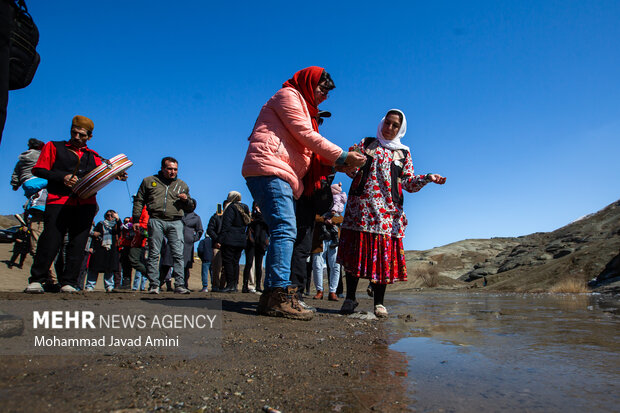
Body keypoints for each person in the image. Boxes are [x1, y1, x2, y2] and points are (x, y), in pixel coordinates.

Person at [242, 66, 366, 320]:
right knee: (285, 229)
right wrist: (342, 155)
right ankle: (277, 295)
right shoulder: (288, 96)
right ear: (309, 82)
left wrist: (339, 164)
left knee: (286, 230)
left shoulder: (305, 109)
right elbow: (305, 135)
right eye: (321, 89)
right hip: (269, 167)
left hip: (279, 171)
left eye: (327, 93)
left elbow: (309, 152)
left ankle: (276, 295)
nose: (323, 96)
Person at [337, 109, 446, 318]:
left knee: (382, 258)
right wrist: (349, 167)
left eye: (395, 125)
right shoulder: (366, 144)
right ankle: (350, 298)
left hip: (388, 212)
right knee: (355, 253)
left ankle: (379, 303)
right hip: (360, 208)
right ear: (382, 122)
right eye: (387, 123)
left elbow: (408, 183)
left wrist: (428, 178)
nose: (389, 128)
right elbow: (346, 165)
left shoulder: (403, 153)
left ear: (400, 129)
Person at [25, 115, 127, 293]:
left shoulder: (93, 156)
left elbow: (101, 175)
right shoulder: (53, 146)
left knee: (78, 244)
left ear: (90, 136)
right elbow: (39, 169)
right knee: (51, 240)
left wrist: (116, 175)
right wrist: (61, 177)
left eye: (82, 135)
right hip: (59, 201)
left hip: (85, 204)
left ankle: (69, 282)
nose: (77, 137)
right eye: (74, 133)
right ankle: (37, 279)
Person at [132, 156, 196, 294]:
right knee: (154, 253)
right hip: (156, 219)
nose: (172, 172)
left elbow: (190, 207)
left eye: (175, 169)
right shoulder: (149, 181)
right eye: (169, 169)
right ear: (162, 168)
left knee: (178, 254)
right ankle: (154, 284)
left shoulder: (182, 185)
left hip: (175, 221)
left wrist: (186, 200)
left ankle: (179, 284)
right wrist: (136, 219)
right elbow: (139, 200)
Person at [219, 191, 250, 292]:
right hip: (241, 239)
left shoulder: (231, 207)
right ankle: (235, 285)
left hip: (230, 239)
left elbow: (226, 224)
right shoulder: (245, 207)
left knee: (228, 262)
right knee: (235, 262)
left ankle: (230, 285)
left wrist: (221, 239)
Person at [85, 210, 121, 292]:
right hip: (99, 249)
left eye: (111, 215)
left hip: (110, 249)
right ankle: (90, 285)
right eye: (108, 215)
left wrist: (118, 219)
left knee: (109, 269)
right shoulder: (100, 224)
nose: (109, 217)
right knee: (94, 268)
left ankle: (109, 286)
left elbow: (119, 230)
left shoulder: (115, 225)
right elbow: (94, 236)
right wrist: (92, 247)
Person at [242, 202, 269, 293]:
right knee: (249, 263)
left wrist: (260, 214)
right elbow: (248, 223)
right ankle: (245, 285)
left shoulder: (265, 217)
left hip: (261, 243)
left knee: (259, 265)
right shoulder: (250, 215)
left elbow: (266, 225)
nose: (258, 207)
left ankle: (258, 285)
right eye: (256, 205)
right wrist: (256, 213)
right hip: (251, 242)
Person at [206, 201, 227, 292]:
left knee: (225, 268)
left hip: (228, 246)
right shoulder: (216, 217)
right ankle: (215, 285)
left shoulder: (233, 218)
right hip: (217, 246)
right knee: (216, 267)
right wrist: (217, 240)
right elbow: (210, 230)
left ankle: (223, 286)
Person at [181, 207, 203, 289]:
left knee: (186, 266)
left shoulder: (196, 217)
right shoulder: (179, 215)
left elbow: (200, 230)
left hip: (188, 244)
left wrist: (193, 239)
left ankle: (184, 284)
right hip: (177, 242)